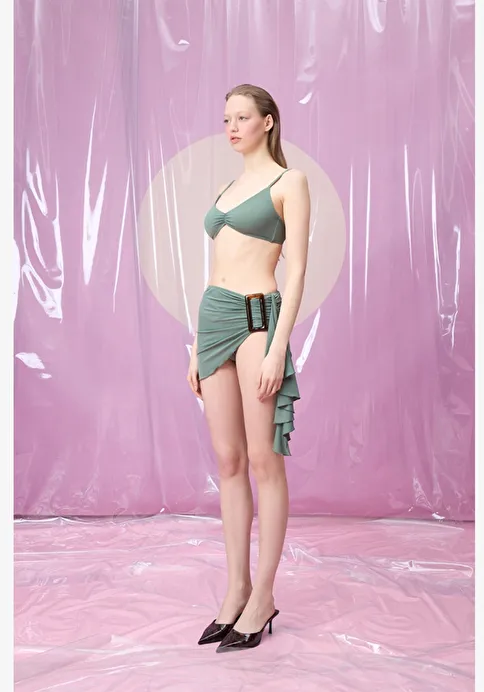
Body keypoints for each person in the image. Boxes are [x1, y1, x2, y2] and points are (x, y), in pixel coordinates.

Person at [187, 83, 310, 652]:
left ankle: (263, 596)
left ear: (268, 121)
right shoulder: (227, 187)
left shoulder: (290, 182)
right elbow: (214, 269)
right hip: (213, 320)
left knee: (264, 460)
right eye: (226, 119)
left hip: (259, 320)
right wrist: (196, 345)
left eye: (242, 117)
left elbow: (297, 270)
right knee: (229, 460)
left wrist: (280, 346)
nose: (231, 127)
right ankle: (235, 589)